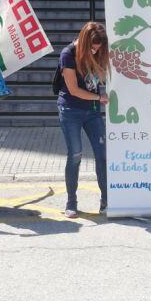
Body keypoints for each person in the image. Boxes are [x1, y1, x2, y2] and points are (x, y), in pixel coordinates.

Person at [55, 22, 109, 218]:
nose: (96, 50)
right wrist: (99, 97)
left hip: (92, 111)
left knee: (102, 154)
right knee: (75, 154)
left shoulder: (99, 52)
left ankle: (106, 200)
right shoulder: (68, 54)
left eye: (99, 46)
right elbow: (74, 90)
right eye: (93, 46)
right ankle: (71, 201)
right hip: (70, 109)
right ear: (85, 42)